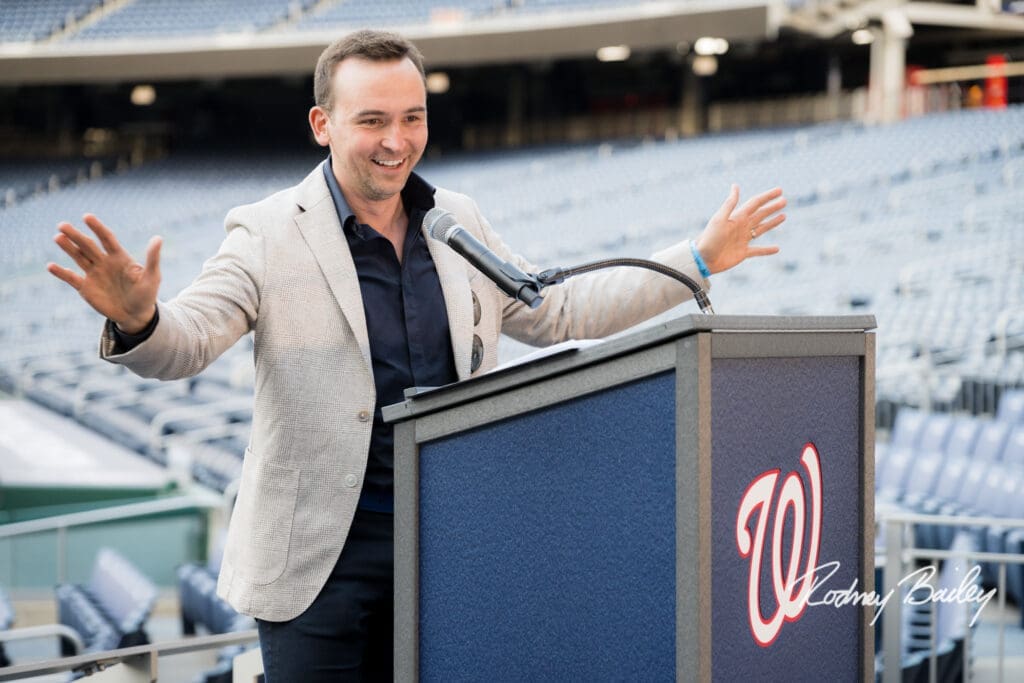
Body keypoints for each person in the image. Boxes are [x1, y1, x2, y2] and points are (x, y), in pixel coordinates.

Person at [46, 29, 786, 681]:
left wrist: (696, 258)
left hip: (449, 549)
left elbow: (558, 310)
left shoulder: (456, 220)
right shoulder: (267, 231)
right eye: (372, 120)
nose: (396, 140)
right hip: (316, 569)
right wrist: (141, 317)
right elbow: (191, 337)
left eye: (412, 118)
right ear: (322, 123)